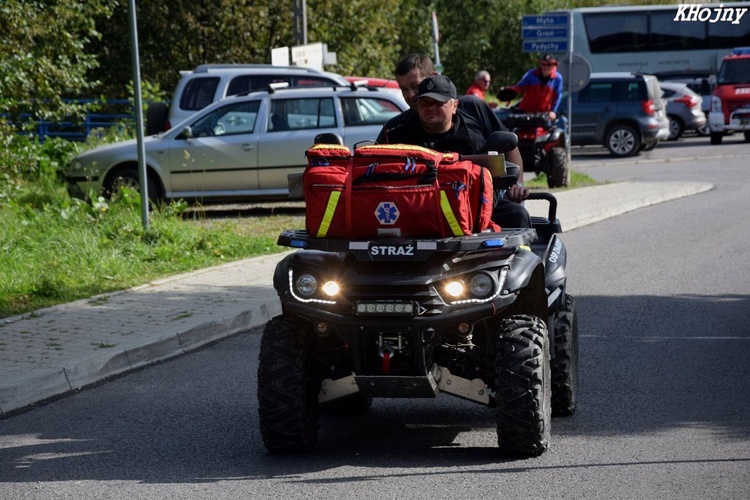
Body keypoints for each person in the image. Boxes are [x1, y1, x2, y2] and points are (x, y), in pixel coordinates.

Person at [379, 74, 531, 229]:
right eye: (425, 103)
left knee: (517, 215)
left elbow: (509, 146)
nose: (430, 107)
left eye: (438, 103)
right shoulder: (399, 134)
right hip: (417, 207)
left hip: (475, 205)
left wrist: (516, 183)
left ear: (454, 106)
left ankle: (522, 253)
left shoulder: (473, 133)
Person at [377, 53, 523, 168]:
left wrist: (517, 185)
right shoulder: (394, 129)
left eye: (416, 86)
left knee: (516, 208)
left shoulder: (472, 107)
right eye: (404, 89)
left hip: (479, 199)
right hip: (419, 204)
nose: (410, 95)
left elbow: (509, 145)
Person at [502, 53, 563, 121]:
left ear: (554, 65)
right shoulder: (531, 74)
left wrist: (553, 111)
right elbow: (520, 86)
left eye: (549, 65)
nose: (546, 67)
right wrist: (511, 91)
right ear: (540, 64)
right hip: (526, 113)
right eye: (543, 64)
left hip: (543, 115)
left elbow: (557, 96)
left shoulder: (557, 78)